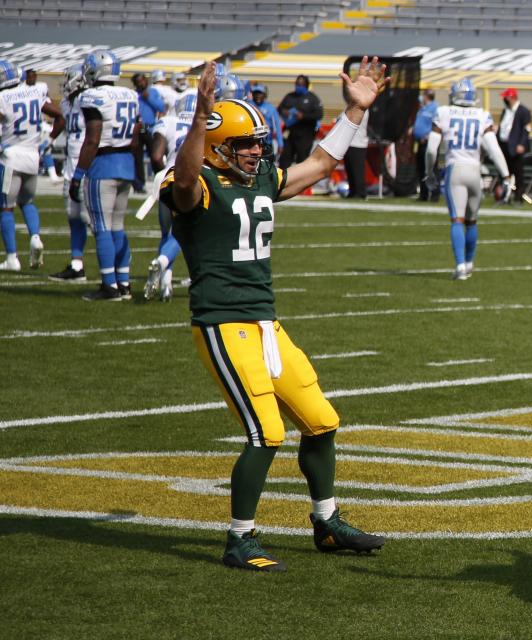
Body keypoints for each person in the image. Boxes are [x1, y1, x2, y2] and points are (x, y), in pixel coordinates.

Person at [159, 58, 388, 571]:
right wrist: (199, 119)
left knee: (322, 420)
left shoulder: (260, 178)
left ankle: (326, 522)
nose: (257, 151)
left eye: (259, 142)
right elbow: (187, 179)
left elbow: (323, 164)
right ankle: (240, 537)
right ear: (219, 147)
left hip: (266, 322)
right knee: (266, 431)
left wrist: (354, 112)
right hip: (222, 323)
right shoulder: (194, 183)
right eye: (246, 144)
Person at [70, 50, 142, 301]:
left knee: (102, 228)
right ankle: (124, 284)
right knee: (118, 227)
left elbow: (92, 139)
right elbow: (135, 135)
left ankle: (109, 286)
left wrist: (78, 174)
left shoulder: (92, 96)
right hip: (126, 164)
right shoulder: (130, 95)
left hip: (103, 164)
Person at [424, 77, 511, 280]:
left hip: (456, 169)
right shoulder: (482, 115)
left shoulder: (444, 112)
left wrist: (429, 172)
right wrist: (506, 176)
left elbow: (430, 149)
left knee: (457, 220)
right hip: (475, 171)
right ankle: (469, 263)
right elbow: (494, 149)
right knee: (471, 222)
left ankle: (461, 266)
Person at [0, 59, 63, 272]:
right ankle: (35, 237)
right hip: (33, 156)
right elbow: (59, 116)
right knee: (27, 202)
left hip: (11, 157)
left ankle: (11, 258)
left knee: (5, 208)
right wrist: (48, 141)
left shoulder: (2, 98)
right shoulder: (34, 92)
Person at [145, 91, 196, 301]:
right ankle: (162, 261)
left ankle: (166, 286)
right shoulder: (203, 126)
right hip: (190, 183)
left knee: (166, 233)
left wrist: (162, 173)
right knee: (183, 232)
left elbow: (156, 156)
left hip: (166, 179)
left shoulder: (167, 122)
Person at [49, 64, 89, 282]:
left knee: (94, 220)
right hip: (70, 167)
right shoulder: (66, 103)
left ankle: (119, 264)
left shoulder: (91, 100)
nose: (65, 84)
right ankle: (76, 265)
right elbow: (61, 119)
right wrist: (49, 139)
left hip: (87, 166)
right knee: (73, 216)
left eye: (68, 79)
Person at [278, 74, 323, 169]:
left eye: (301, 84)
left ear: (306, 85)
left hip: (305, 135)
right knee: (284, 160)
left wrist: (303, 116)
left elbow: (319, 115)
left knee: (302, 161)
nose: (298, 86)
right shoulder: (290, 96)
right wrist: (284, 112)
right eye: (297, 84)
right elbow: (279, 109)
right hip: (290, 134)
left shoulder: (313, 98)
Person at [497, 87, 531, 203]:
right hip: (504, 145)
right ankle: (504, 196)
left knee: (518, 173)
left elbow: (526, 129)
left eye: (506, 97)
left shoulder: (523, 111)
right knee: (504, 172)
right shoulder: (505, 110)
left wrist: (522, 144)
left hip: (515, 147)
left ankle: (518, 197)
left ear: (512, 97)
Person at [411, 88, 438, 201]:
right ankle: (424, 194)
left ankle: (435, 194)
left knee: (431, 168)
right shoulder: (422, 108)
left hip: (429, 143)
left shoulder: (435, 108)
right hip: (419, 143)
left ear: (426, 96)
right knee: (421, 169)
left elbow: (436, 125)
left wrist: (427, 136)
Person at [247, 84, 283, 159]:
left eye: (260, 93)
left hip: (266, 144)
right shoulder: (248, 106)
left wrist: (280, 144)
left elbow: (277, 128)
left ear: (264, 95)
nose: (257, 95)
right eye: (255, 93)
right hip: (250, 143)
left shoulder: (271, 109)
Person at [344, 107, 368, 199]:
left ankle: (360, 192)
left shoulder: (362, 109)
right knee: (350, 169)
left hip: (358, 143)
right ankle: (352, 191)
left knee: (357, 170)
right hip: (349, 143)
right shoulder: (351, 107)